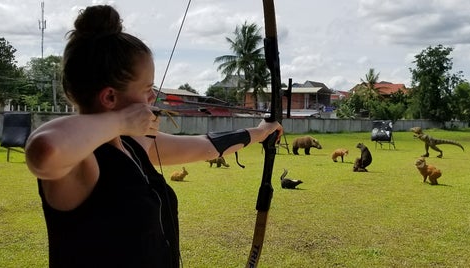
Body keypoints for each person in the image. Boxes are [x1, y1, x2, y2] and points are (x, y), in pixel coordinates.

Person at [24, 5, 282, 267]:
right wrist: (122, 120)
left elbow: (204, 146)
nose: (152, 97)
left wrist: (260, 132)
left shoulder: (131, 146)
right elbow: (45, 149)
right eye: (147, 88)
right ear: (110, 97)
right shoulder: (84, 163)